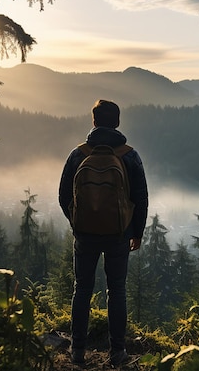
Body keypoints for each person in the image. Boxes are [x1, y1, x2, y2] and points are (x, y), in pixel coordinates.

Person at [58, 99, 149, 366]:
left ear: (94, 121)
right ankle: (117, 352)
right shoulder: (130, 155)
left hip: (84, 234)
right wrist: (137, 232)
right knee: (117, 290)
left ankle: (77, 351)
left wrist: (77, 223)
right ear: (117, 122)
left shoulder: (79, 154)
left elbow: (64, 196)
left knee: (82, 289)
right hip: (119, 233)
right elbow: (141, 198)